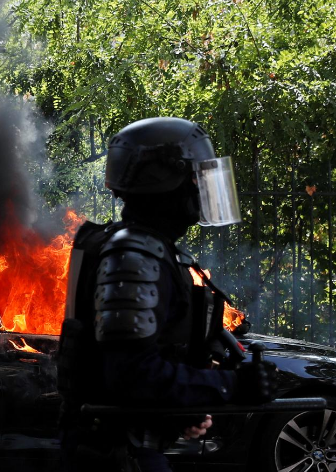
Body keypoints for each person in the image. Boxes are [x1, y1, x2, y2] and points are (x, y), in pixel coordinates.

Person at [58, 117, 277, 471]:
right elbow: (130, 375)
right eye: (196, 177)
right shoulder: (134, 256)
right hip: (113, 455)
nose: (201, 188)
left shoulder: (149, 250)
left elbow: (139, 368)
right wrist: (229, 385)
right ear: (165, 182)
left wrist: (179, 413)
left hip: (128, 450)